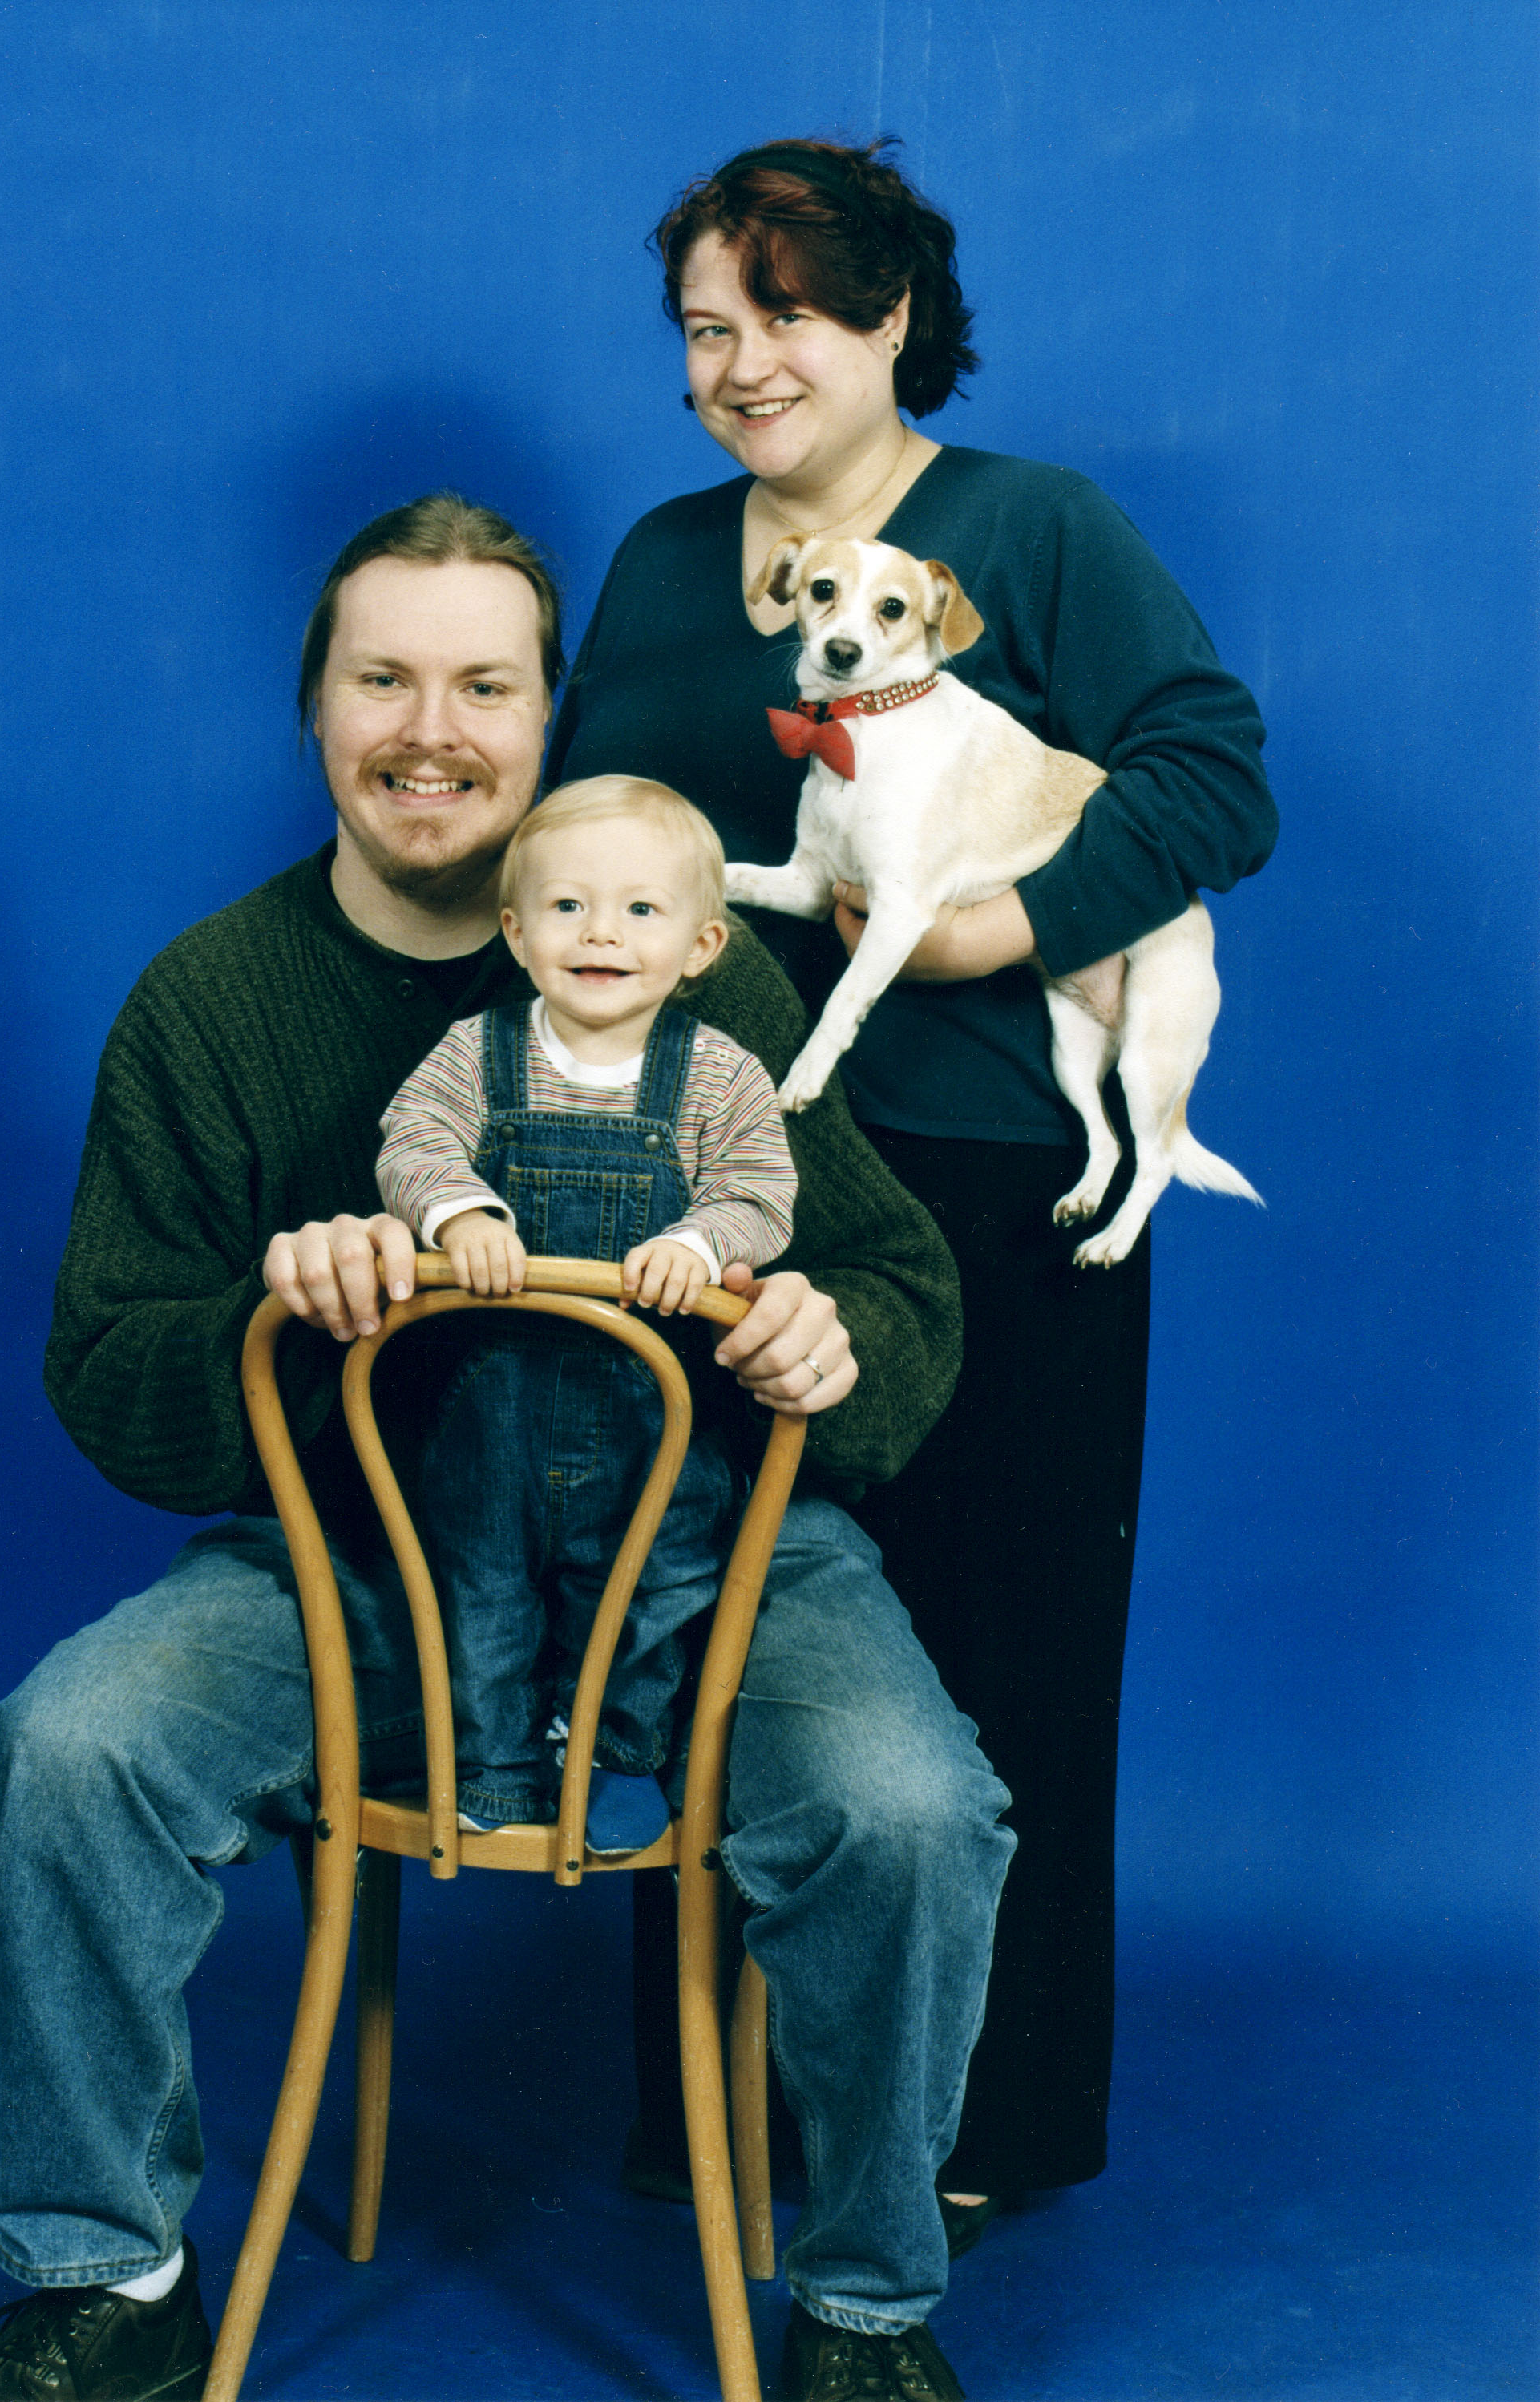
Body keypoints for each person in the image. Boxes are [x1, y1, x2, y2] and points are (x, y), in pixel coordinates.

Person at [0, 491, 1014, 2402]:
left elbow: (894, 1283)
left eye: (484, 687)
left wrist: (825, 1334)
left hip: (705, 1557)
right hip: (368, 1559)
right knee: (74, 1745)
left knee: (912, 1805)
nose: (430, 731)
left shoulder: (694, 967)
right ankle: (108, 2276)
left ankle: (863, 2310)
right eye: (382, 680)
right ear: (314, 707)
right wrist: (284, 1306)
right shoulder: (212, 1000)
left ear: (546, 718)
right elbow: (105, 1369)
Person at [546, 139, 1279, 2238]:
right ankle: (726, 2109)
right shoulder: (665, 559)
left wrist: (997, 931)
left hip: (983, 1185)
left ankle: (976, 2122)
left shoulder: (1032, 529)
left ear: (887, 319)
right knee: (716, 1642)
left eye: (782, 314)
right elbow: (591, 832)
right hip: (701, 1181)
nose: (740, 364)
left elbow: (1211, 775)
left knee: (998, 1658)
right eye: (706, 327)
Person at [377, 774, 797, 1857]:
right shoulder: (477, 1055)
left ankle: (614, 1751)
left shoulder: (720, 1077)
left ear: (702, 946)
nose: (601, 932)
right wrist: (461, 1211)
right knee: (483, 1589)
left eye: (641, 910)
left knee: (659, 1586)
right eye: (568, 906)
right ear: (517, 934)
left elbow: (763, 1195)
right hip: (496, 1414)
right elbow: (410, 1141)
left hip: (655, 1417)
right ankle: (493, 1766)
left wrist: (698, 1242)